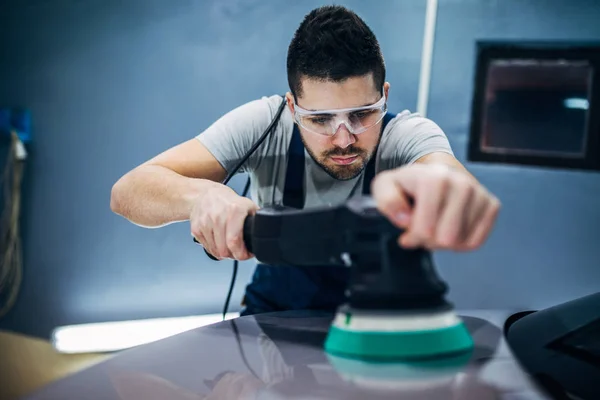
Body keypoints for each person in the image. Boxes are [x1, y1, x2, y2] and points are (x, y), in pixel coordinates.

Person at [110, 5, 500, 315]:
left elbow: (450, 178)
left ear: (384, 95)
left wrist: (447, 191)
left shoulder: (408, 134)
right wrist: (201, 198)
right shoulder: (263, 123)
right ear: (293, 107)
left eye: (363, 114)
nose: (344, 138)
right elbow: (128, 191)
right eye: (320, 119)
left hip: (380, 325)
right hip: (274, 319)